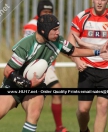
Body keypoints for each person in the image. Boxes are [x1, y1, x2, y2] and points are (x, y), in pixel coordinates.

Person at [0, 14, 108, 132]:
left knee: (33, 114)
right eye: (55, 30)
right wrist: (27, 83)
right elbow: (7, 71)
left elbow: (74, 51)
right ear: (43, 30)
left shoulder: (58, 41)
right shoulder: (26, 45)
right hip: (14, 84)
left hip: (37, 86)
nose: (58, 32)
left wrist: (98, 52)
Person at [67, 0, 108, 132]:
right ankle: (84, 130)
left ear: (107, 1)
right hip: (87, 67)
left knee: (102, 107)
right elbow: (69, 45)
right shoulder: (81, 17)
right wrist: (77, 61)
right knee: (83, 110)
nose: (99, 2)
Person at [23, 0, 67, 131]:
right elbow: (29, 47)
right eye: (44, 12)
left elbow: (60, 46)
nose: (47, 14)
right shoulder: (32, 25)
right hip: (38, 67)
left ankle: (58, 127)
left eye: (50, 12)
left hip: (47, 67)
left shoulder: (52, 25)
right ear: (38, 12)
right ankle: (59, 127)